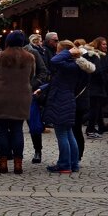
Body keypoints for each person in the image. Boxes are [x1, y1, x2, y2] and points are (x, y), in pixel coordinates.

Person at [0, 29, 36, 174]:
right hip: (21, 96)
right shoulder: (30, 57)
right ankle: (18, 163)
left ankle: (3, 163)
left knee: (1, 129)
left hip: (0, 95)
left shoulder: (0, 56)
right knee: (17, 129)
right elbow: (32, 75)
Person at [42, 41, 93, 175]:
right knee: (69, 133)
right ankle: (74, 163)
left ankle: (64, 164)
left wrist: (68, 52)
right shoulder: (74, 65)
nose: (57, 53)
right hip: (68, 99)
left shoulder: (68, 65)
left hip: (61, 101)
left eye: (59, 51)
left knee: (62, 134)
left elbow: (54, 60)